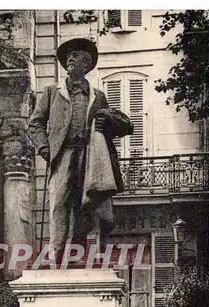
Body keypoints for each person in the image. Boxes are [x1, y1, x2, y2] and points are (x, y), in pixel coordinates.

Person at [28, 38, 133, 262]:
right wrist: (44, 148)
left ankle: (78, 253)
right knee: (58, 201)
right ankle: (56, 253)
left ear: (87, 64)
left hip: (90, 155)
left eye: (76, 55)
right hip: (62, 154)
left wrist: (107, 121)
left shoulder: (98, 96)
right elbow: (35, 123)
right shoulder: (51, 92)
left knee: (84, 204)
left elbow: (114, 127)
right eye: (68, 57)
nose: (70, 59)